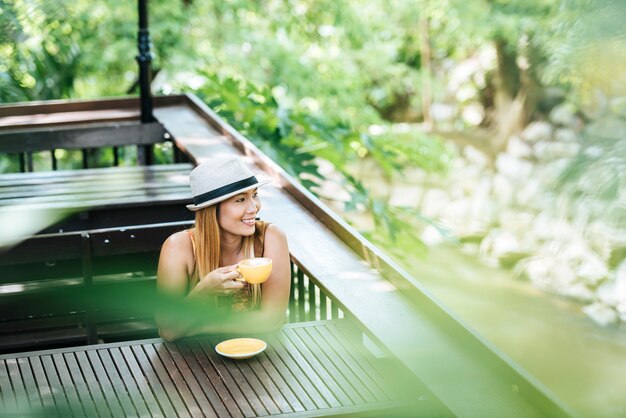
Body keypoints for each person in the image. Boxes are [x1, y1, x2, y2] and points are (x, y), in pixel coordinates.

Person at [156, 155, 290, 341]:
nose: (254, 208)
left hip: (261, 357)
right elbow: (168, 331)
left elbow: (272, 320)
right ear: (212, 209)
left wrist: (199, 327)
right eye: (241, 200)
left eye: (255, 195)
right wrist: (204, 291)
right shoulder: (178, 247)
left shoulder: (271, 237)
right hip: (192, 361)